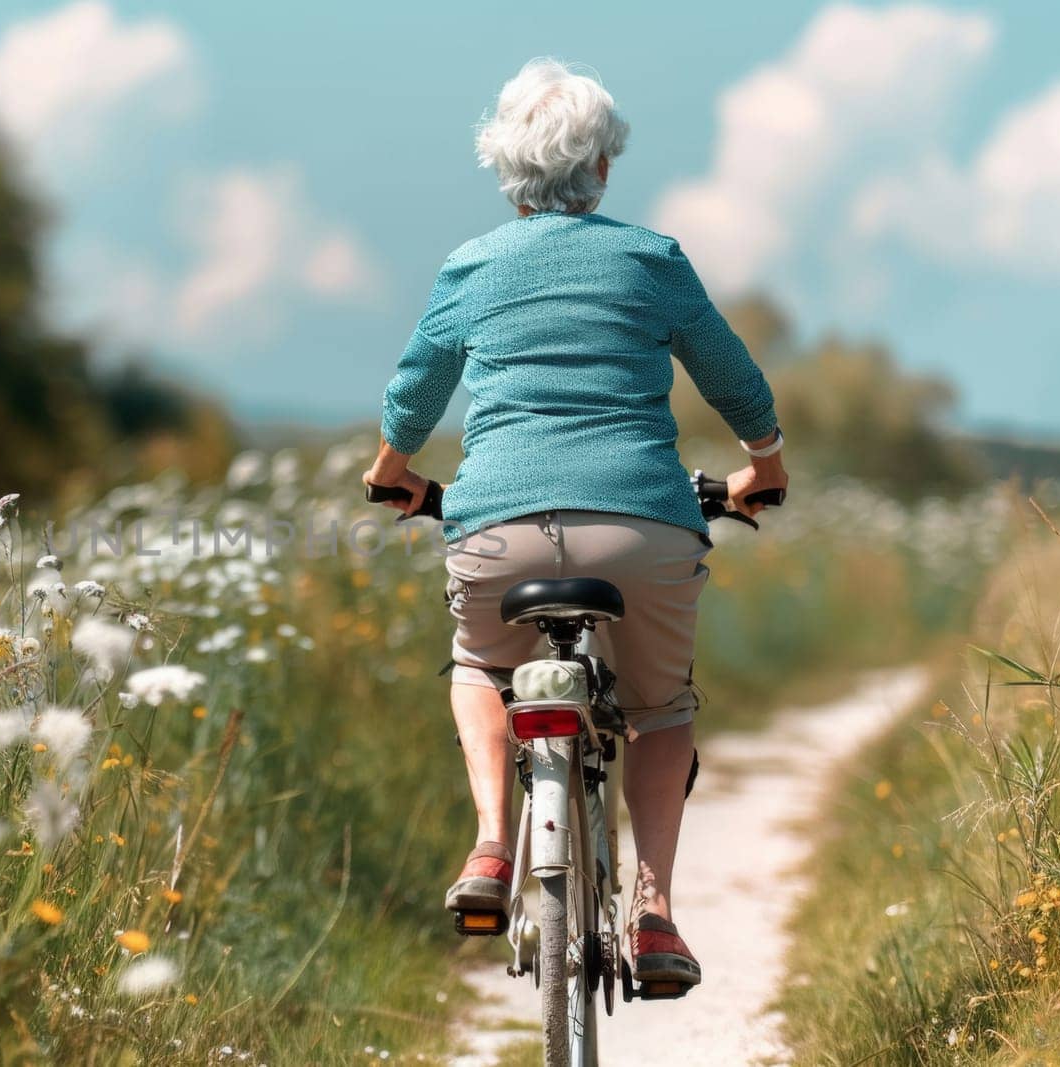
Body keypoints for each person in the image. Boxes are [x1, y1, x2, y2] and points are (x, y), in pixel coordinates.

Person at [363, 58, 788, 987]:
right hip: (645, 530)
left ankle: (487, 847)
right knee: (661, 707)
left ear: (506, 171)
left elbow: (414, 394)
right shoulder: (652, 258)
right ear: (600, 168)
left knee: (482, 664)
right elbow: (734, 379)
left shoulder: (469, 266)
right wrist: (766, 465)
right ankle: (656, 913)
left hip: (495, 532)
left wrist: (391, 470)